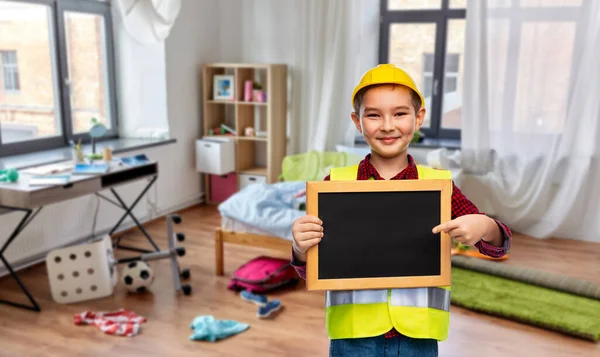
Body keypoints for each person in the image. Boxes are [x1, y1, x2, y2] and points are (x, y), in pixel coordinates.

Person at [290, 64, 512, 357]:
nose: (387, 125)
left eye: (399, 113)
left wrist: (484, 227)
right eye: (373, 115)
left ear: (418, 118)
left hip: (418, 337)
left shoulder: (439, 186)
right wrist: (299, 247)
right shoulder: (335, 186)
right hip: (353, 337)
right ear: (357, 122)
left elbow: (497, 242)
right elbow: (315, 267)